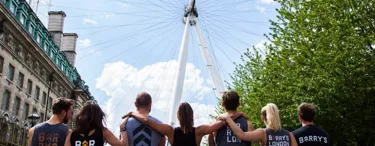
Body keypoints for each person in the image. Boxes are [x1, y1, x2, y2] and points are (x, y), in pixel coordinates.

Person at [123, 102, 245, 146]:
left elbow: (146, 121)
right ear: (192, 115)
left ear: (178, 116)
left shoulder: (170, 131)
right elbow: (221, 123)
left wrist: (133, 113)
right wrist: (238, 115)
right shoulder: (199, 131)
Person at [219, 103, 298, 146]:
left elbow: (241, 135)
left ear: (263, 117)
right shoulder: (289, 135)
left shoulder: (263, 133)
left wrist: (228, 119)